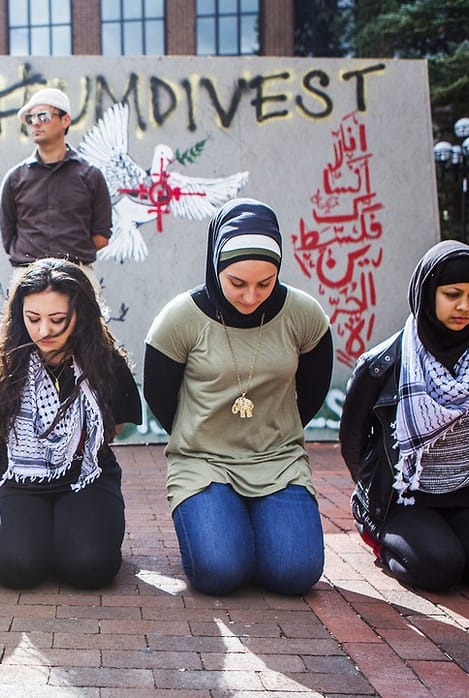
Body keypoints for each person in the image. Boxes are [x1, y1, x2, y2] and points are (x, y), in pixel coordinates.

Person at [143, 198, 333, 596]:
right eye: (237, 283)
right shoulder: (180, 318)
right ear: (215, 265)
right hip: (204, 462)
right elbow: (161, 398)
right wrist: (199, 433)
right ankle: (226, 522)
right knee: (220, 572)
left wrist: (274, 430)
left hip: (278, 460)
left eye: (265, 283)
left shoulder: (304, 315)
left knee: (295, 574)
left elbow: (314, 391)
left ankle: (255, 525)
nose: (250, 297)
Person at [340, 240, 469, 593]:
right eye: (452, 294)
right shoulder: (383, 363)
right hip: (403, 496)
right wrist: (373, 496)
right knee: (438, 569)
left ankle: (445, 537)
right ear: (427, 293)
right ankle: (383, 533)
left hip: (468, 493)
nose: (464, 306)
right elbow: (352, 440)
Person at [0, 258, 142, 589]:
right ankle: (44, 534)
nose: (44, 331)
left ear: (80, 315)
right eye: (33, 318)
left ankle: (68, 533)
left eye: (58, 319)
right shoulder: (5, 363)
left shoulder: (106, 362)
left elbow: (116, 428)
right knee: (15, 567)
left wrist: (67, 445)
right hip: (19, 481)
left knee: (90, 567)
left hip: (86, 477)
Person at [0, 87, 112, 271]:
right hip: (28, 275)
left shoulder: (90, 175)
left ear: (65, 120)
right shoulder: (15, 178)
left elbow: (101, 236)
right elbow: (8, 234)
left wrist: (71, 254)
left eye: (43, 116)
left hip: (77, 274)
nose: (35, 123)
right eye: (30, 118)